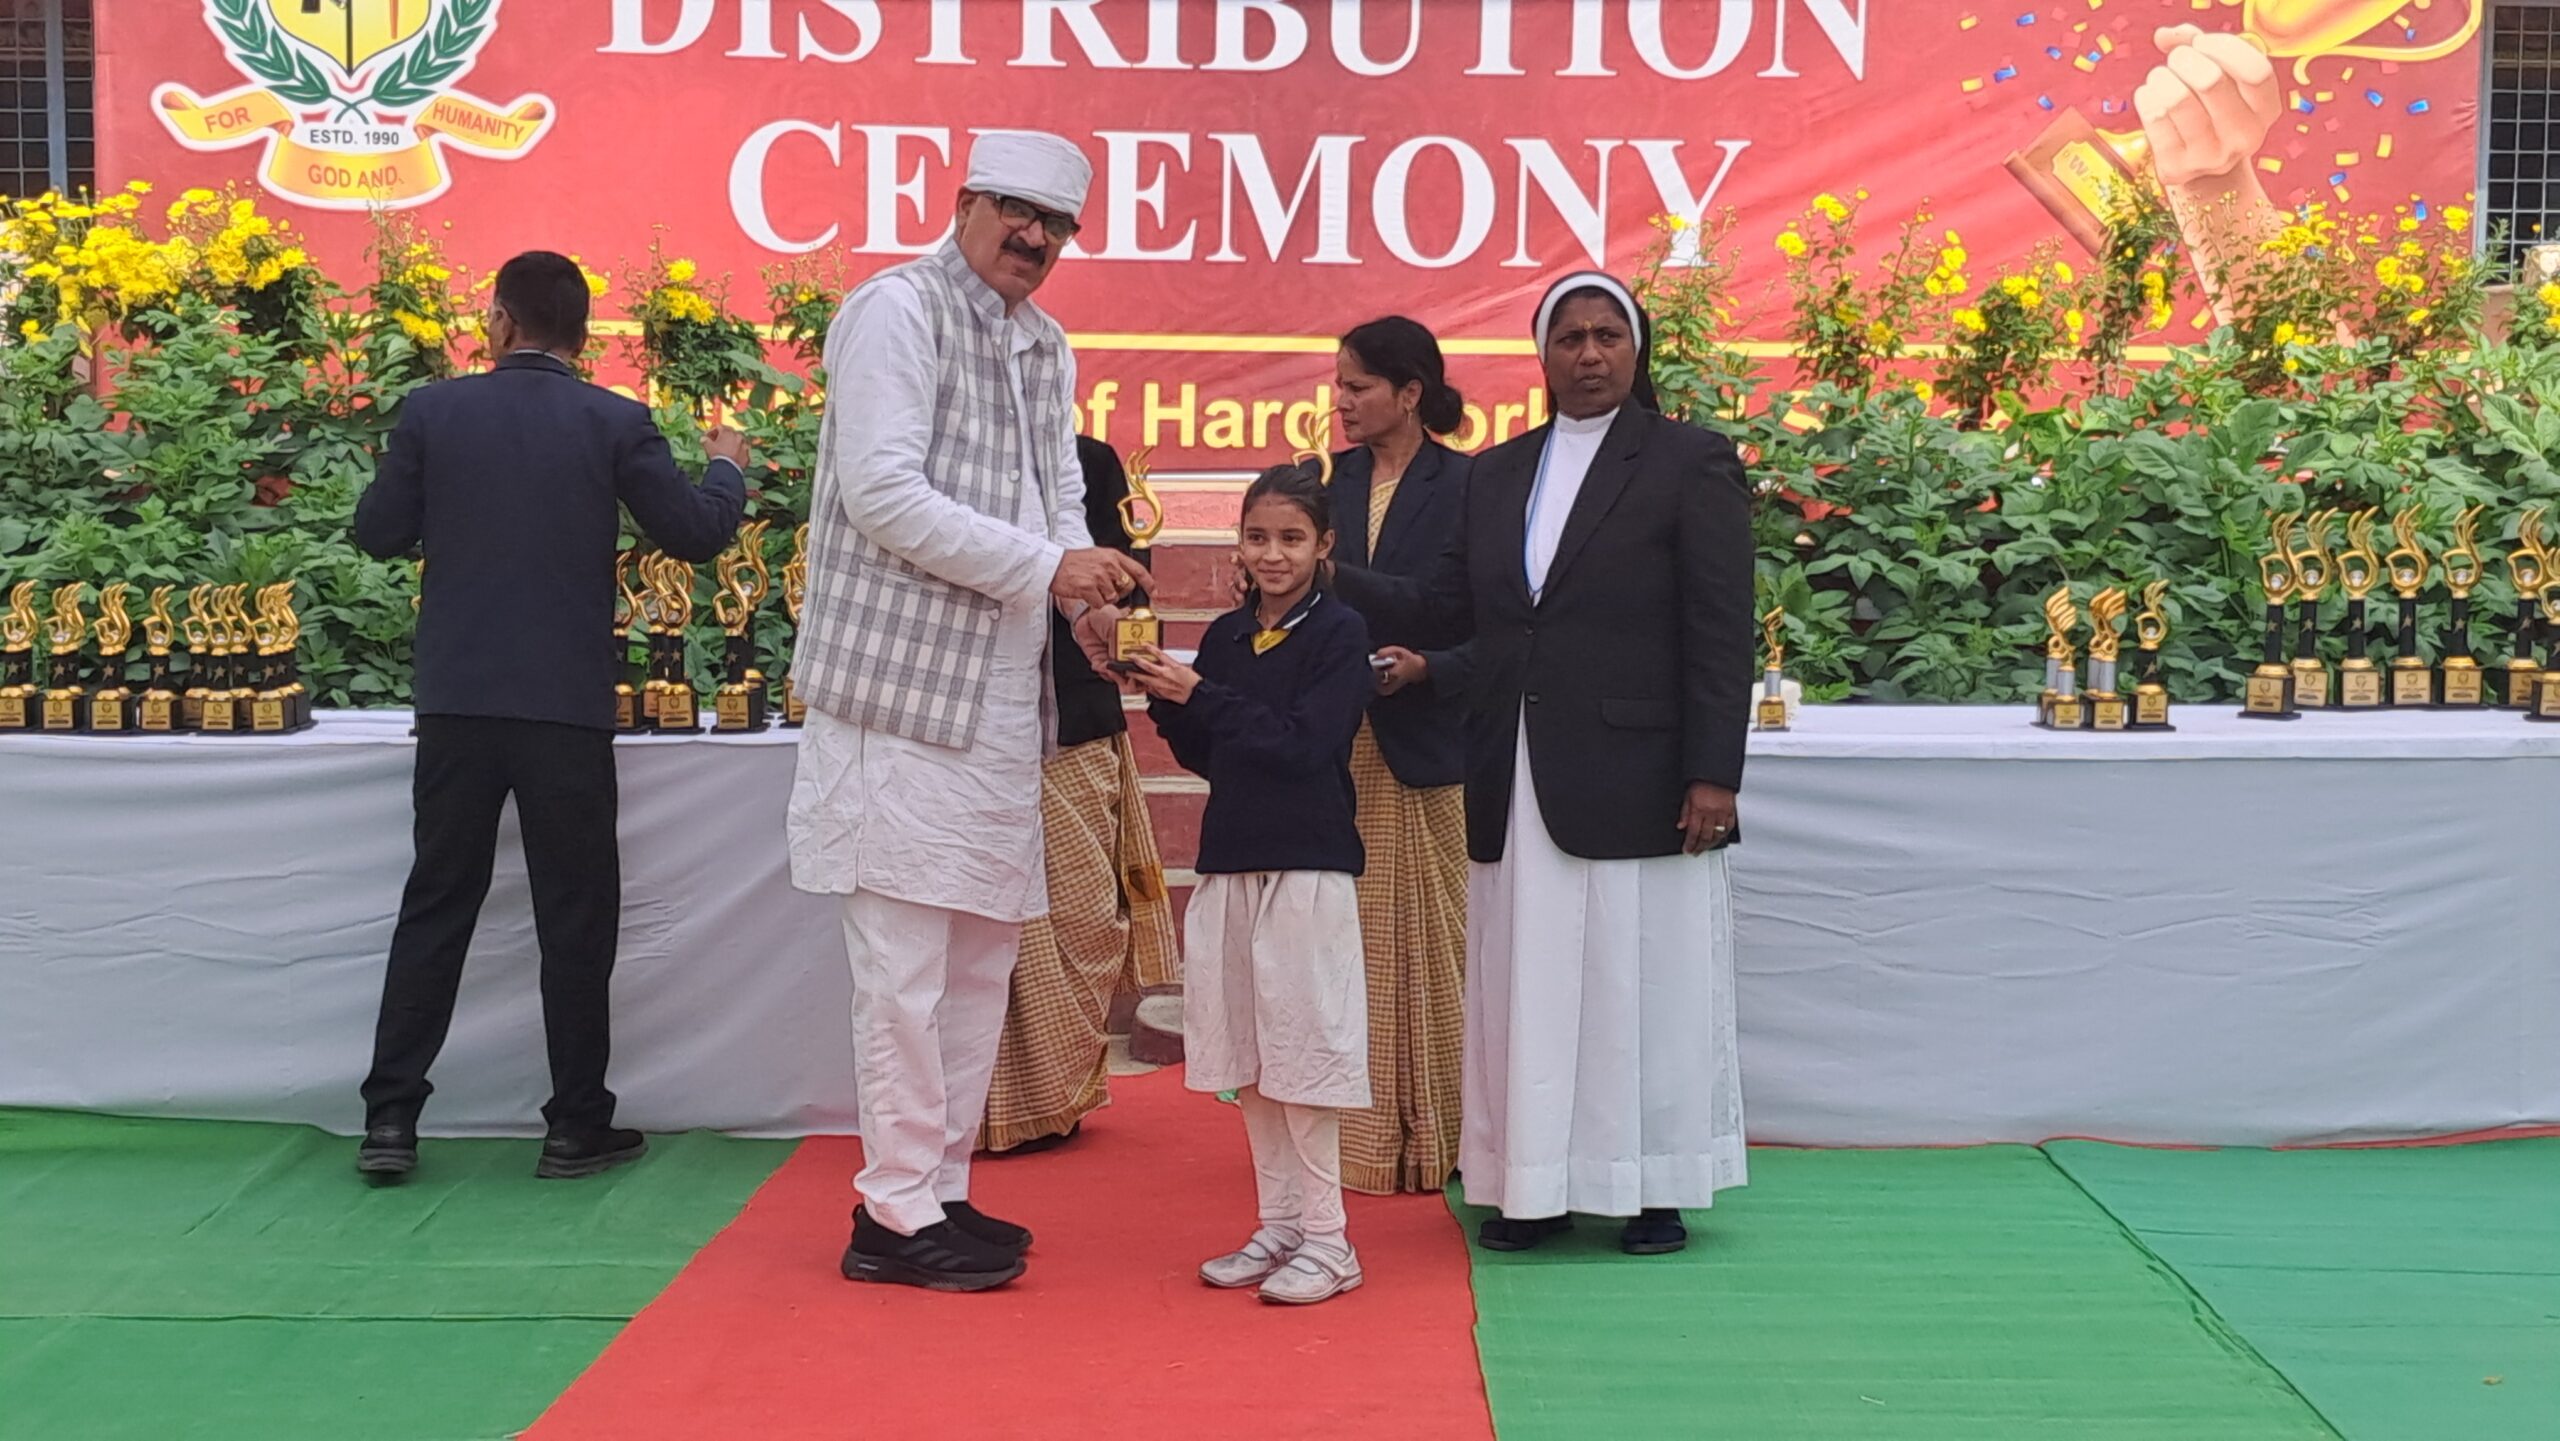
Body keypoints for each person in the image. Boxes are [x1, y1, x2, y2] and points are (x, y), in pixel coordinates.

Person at [785, 130, 1149, 1293]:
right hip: (898, 693)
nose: (1032, 238)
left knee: (981, 956)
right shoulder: (896, 311)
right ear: (965, 203)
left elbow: (1057, 494)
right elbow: (882, 493)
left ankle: (939, 1187)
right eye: (1014, 211)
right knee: (902, 969)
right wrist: (1047, 567)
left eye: (1056, 224)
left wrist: (1086, 591)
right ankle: (889, 1212)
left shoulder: (1044, 342)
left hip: (1000, 699)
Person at [1327, 271, 1754, 1256]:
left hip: (1645, 774)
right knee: (1526, 980)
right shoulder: (1498, 472)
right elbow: (1450, 610)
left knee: (1640, 980)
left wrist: (1714, 774)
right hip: (1514, 770)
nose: (1590, 354)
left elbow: (1719, 631)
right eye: (1570, 338)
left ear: (1636, 349)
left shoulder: (1690, 461)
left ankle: (1654, 1187)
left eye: (1608, 335)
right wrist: (1323, 572)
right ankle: (1532, 1187)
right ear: (1542, 354)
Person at [351, 250, 748, 1182]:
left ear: (499, 321)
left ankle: (391, 1119)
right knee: (575, 913)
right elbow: (695, 533)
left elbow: (377, 531)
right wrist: (727, 467)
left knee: (438, 902)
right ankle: (575, 1124)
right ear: (583, 335)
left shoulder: (434, 412)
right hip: (565, 707)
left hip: (458, 700)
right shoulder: (613, 421)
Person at [1124, 462, 1375, 1306]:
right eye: (1258, 537)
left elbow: (1305, 745)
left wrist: (1200, 694)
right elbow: (1212, 752)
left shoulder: (1340, 633)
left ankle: (1332, 1239)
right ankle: (1281, 1224)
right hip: (1232, 857)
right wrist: (1164, 697)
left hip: (1308, 862)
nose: (1273, 554)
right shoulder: (1229, 635)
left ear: (1324, 544)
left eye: (1291, 539)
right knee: (1254, 1057)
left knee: (1306, 1054)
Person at [979, 435, 1180, 1156]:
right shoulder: (949, 469)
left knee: (1087, 919)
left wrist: (1118, 625)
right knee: (978, 926)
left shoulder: (1087, 462)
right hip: (972, 734)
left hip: (1072, 728)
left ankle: (1056, 1098)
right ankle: (983, 1111)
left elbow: (1126, 580)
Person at [1326, 317, 1474, 1196]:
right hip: (1341, 741)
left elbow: (1451, 607)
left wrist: (1332, 579)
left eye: (1358, 386)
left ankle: (1446, 1133)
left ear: (1410, 393)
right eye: (1338, 385)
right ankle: (1363, 1139)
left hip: (1431, 739)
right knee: (1352, 947)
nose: (1341, 402)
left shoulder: (1469, 485)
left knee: (1439, 949)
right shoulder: (1331, 482)